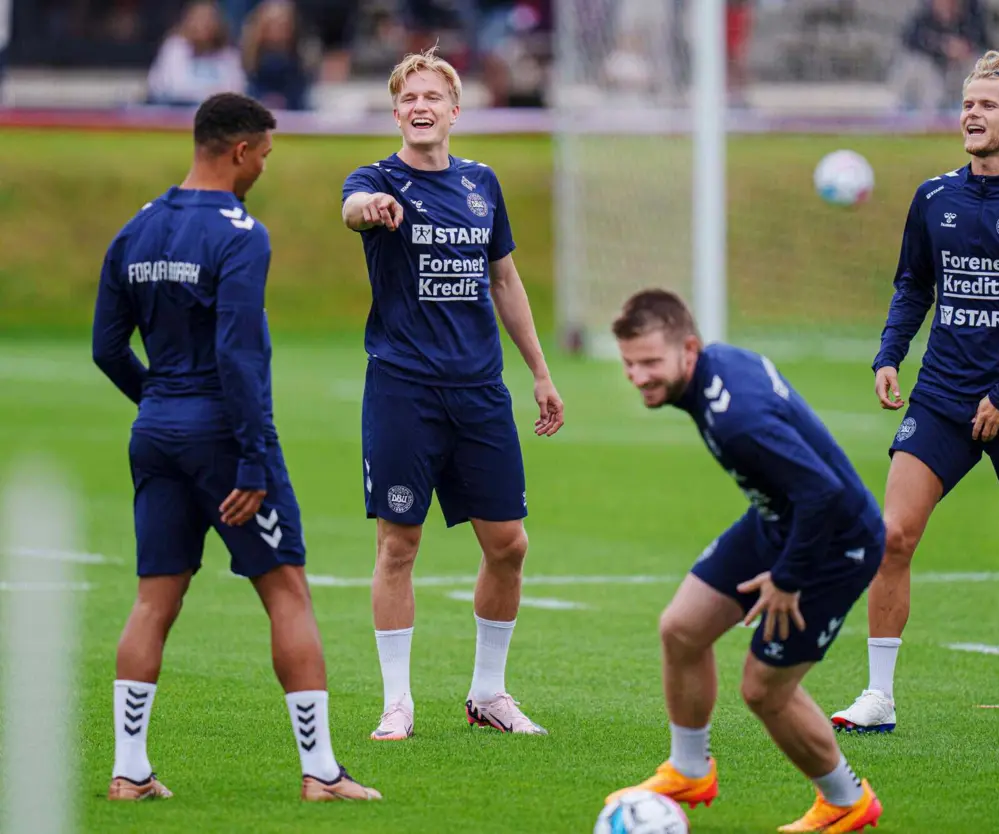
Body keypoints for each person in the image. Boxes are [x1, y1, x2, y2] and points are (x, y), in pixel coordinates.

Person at [92, 92, 381, 802]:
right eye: (264, 157)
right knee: (287, 592)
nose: (262, 171)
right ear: (241, 151)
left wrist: (160, 404)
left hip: (155, 431)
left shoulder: (135, 229)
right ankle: (321, 773)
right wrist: (250, 458)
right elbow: (239, 355)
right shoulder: (240, 233)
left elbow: (106, 348)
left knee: (154, 597)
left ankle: (129, 771)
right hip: (225, 437)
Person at [831, 50, 999, 738]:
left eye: (988, 105)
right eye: (968, 103)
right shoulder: (934, 197)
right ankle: (879, 697)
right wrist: (890, 353)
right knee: (891, 538)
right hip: (942, 397)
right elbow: (914, 283)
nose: (972, 114)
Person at [340, 47, 564, 742]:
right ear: (396, 111)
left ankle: (489, 693)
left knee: (509, 544)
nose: (420, 107)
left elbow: (504, 280)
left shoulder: (481, 184)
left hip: (480, 392)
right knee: (398, 544)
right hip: (404, 390)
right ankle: (397, 702)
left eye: (432, 97)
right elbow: (350, 209)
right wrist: (369, 209)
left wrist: (540, 371)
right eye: (408, 99)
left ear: (454, 110)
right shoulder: (376, 180)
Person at [605, 290, 885, 834]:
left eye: (650, 363)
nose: (638, 377)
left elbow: (824, 495)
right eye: (629, 364)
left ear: (689, 348)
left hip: (835, 540)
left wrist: (787, 579)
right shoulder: (716, 366)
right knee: (681, 629)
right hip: (780, 518)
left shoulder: (738, 419)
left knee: (764, 690)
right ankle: (689, 771)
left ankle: (846, 801)